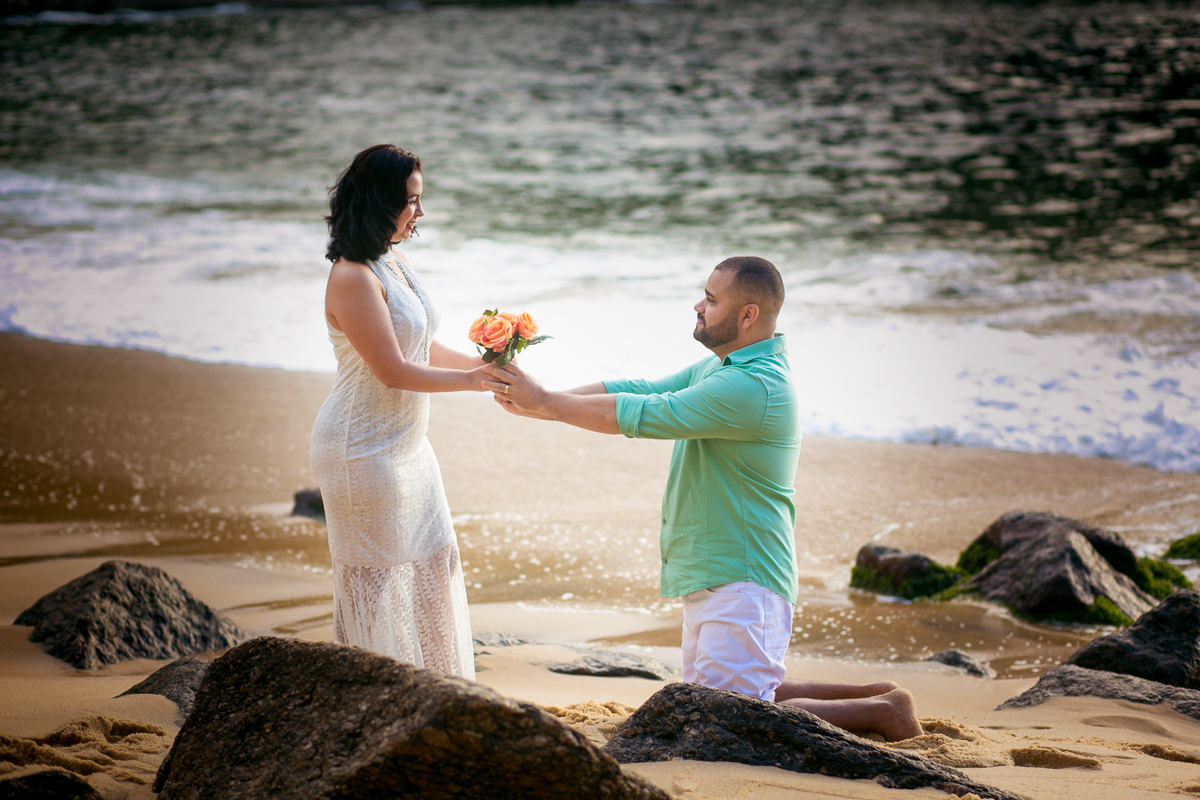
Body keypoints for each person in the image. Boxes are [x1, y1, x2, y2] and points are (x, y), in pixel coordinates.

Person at [483, 256, 922, 741]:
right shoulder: (730, 367)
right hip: (721, 573)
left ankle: (883, 713)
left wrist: (546, 403)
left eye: (711, 300)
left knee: (728, 718)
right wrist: (544, 404)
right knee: (725, 698)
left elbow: (647, 413)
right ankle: (879, 697)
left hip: (743, 576)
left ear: (748, 315)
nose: (699, 305)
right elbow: (640, 389)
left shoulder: (751, 384)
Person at [310, 144, 486, 678]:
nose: (421, 213)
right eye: (411, 201)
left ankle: (442, 695)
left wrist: (489, 365)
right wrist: (473, 382)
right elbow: (392, 370)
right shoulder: (351, 277)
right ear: (380, 202)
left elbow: (422, 347)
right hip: (361, 449)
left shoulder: (393, 261)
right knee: (376, 585)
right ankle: (371, 700)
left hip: (409, 447)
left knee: (435, 565)